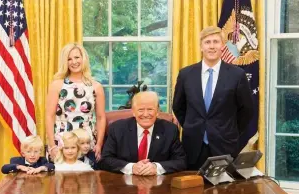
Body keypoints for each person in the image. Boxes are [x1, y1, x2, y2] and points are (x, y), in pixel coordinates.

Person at [172, 26, 254, 171]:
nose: (211, 46)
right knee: (193, 190)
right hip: (193, 146)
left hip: (225, 145)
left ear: (222, 46)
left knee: (224, 191)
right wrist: (194, 126)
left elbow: (246, 110)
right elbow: (178, 107)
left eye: (216, 42)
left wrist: (229, 130)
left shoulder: (237, 75)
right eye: (207, 42)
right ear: (201, 46)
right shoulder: (186, 74)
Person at [101, 91, 187, 175]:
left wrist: (156, 167)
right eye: (141, 110)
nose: (145, 114)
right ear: (133, 112)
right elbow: (105, 159)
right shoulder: (117, 128)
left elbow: (181, 161)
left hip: (158, 185)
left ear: (157, 111)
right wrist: (132, 167)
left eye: (150, 109)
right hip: (123, 184)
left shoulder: (170, 130)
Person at [46, 43, 106, 163]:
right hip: (62, 141)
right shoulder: (57, 85)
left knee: (87, 179)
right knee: (60, 180)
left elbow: (100, 117)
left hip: (86, 142)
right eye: (69, 59)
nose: (74, 62)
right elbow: (49, 116)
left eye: (77, 57)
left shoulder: (96, 86)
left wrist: (99, 144)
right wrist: (52, 145)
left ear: (83, 58)